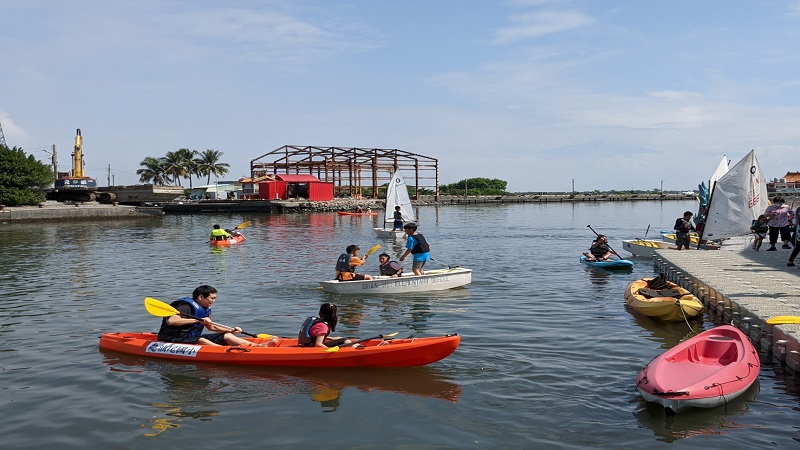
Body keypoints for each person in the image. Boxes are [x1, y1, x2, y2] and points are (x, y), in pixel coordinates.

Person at [157, 285, 271, 347]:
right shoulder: (185, 306)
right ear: (201, 297)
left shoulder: (205, 309)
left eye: (214, 298)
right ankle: (224, 352)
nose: (213, 301)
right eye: (211, 298)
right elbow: (171, 321)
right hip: (172, 339)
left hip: (190, 338)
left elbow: (212, 327)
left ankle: (258, 347)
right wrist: (196, 320)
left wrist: (232, 330)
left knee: (227, 336)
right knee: (201, 340)